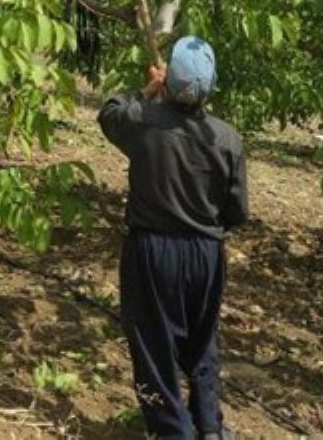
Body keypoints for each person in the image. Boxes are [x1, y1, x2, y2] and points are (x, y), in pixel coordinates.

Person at [98, 36, 248, 440]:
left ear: (167, 81)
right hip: (206, 253)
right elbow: (236, 210)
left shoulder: (143, 122)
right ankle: (209, 426)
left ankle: (171, 431)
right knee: (202, 340)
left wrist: (146, 91)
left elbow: (109, 113)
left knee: (153, 343)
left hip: (153, 250)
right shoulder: (227, 138)